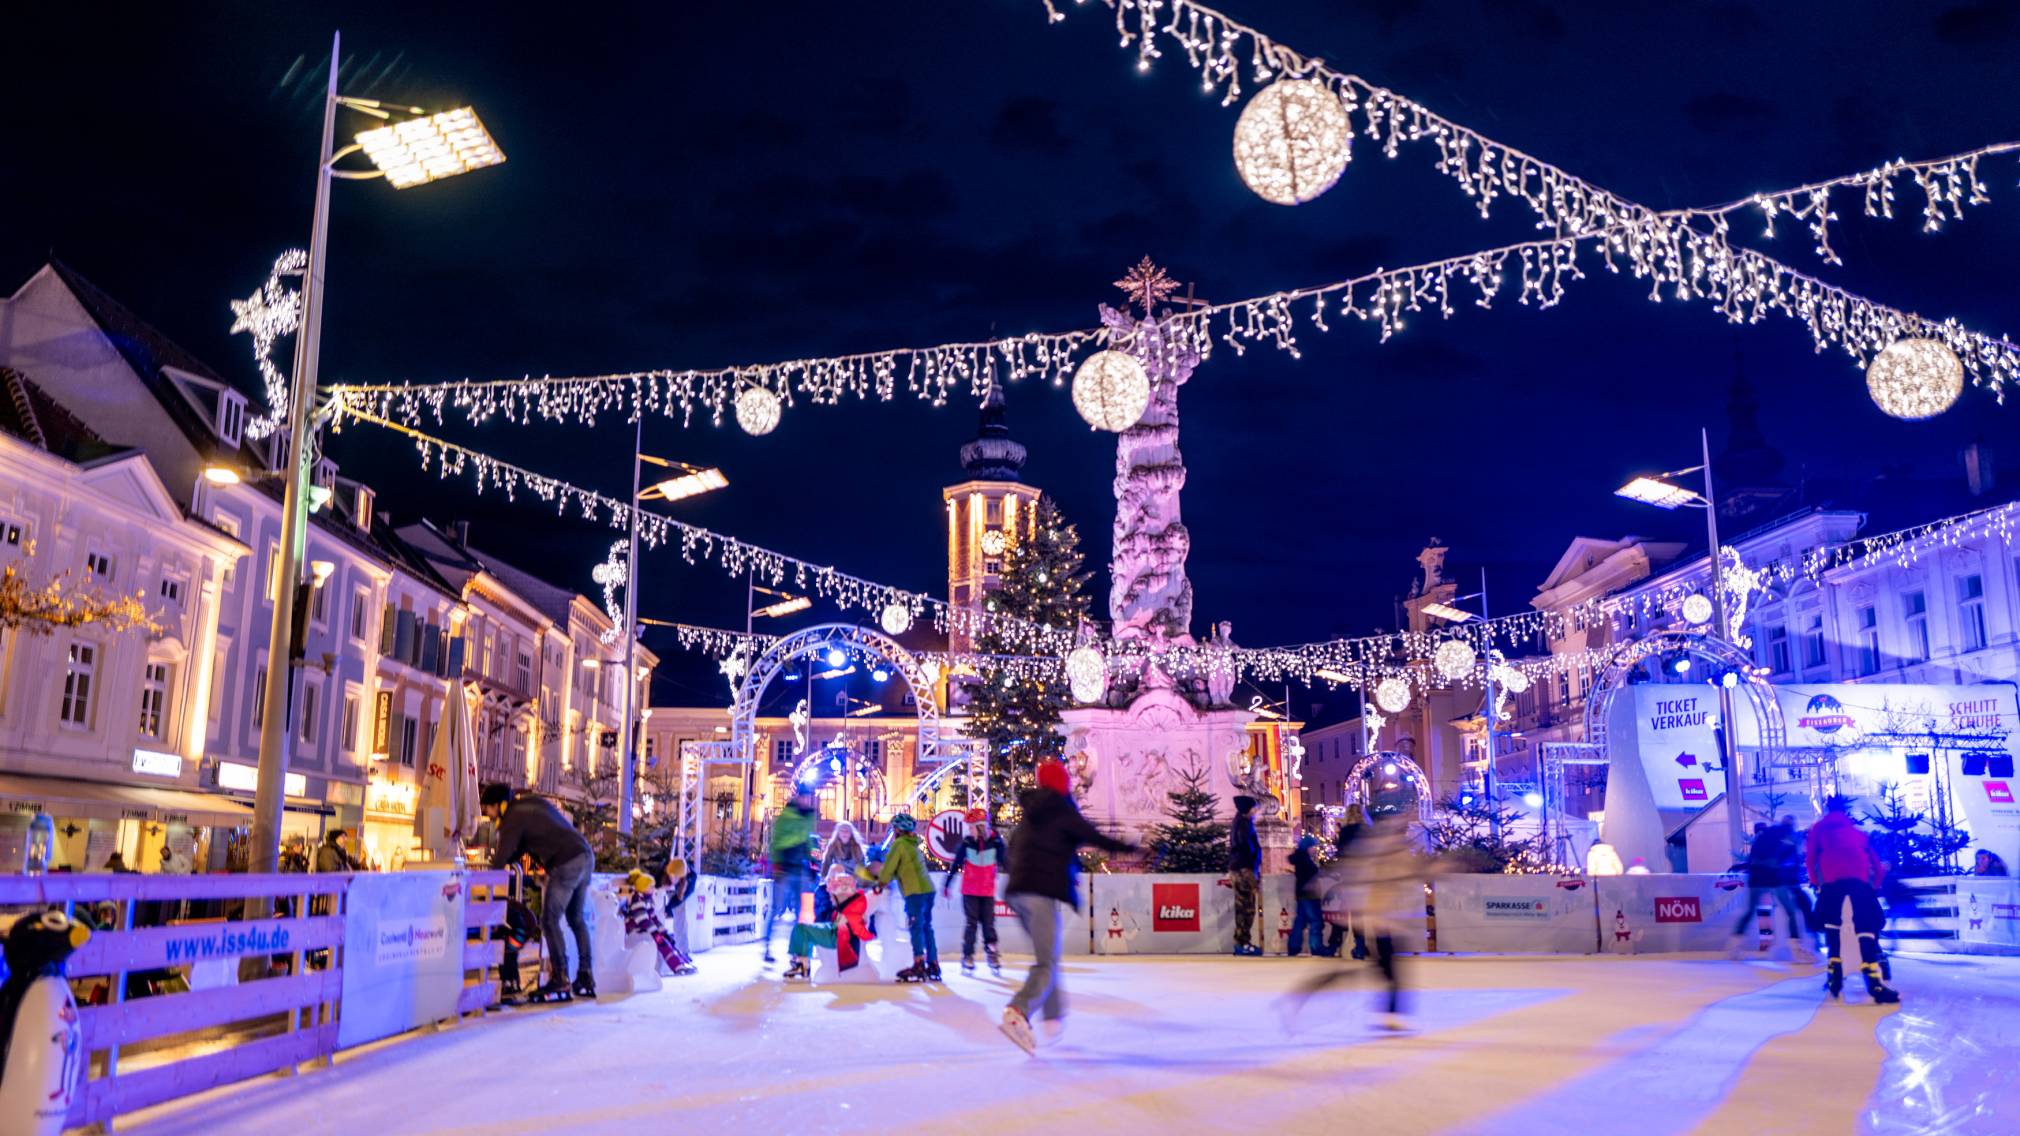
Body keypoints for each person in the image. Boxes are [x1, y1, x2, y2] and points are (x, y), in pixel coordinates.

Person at [999, 760, 1135, 1054]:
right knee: (1046, 961)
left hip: (1016, 892)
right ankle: (1018, 1011)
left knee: (1047, 958)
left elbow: (1013, 852)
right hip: (1040, 892)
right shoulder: (1061, 810)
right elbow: (1096, 837)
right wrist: (1134, 847)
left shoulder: (1031, 815)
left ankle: (1052, 1017)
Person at [1285, 810, 1421, 1033]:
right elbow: (1366, 873)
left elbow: (1356, 869)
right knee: (1384, 968)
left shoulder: (1379, 848)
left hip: (1379, 916)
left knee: (1382, 968)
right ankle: (1390, 1012)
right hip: (1380, 918)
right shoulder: (1385, 849)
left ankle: (1389, 1011)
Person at [482, 782, 597, 1002]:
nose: (487, 814)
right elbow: (524, 847)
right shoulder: (529, 805)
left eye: (487, 807)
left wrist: (485, 881)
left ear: (498, 805)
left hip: (567, 861)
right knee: (575, 919)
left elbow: (503, 856)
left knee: (549, 920)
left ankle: (560, 976)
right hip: (584, 855)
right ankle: (585, 975)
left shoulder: (512, 817)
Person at [1806, 796, 1898, 1003]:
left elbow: (1811, 858)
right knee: (1866, 926)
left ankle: (1834, 972)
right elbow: (1874, 860)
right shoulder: (1856, 832)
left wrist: (1816, 882)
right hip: (1859, 881)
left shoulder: (1818, 829)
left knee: (1832, 925)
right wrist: (1873, 886)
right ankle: (1874, 980)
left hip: (1831, 882)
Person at [872, 812, 940, 982]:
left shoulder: (899, 845)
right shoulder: (913, 845)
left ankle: (918, 963)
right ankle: (933, 963)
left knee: (916, 927)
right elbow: (902, 870)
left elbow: (889, 868)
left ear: (897, 830)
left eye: (893, 828)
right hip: (928, 890)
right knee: (926, 927)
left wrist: (880, 884)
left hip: (915, 892)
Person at [1729, 816, 1810, 958]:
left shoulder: (1766, 834)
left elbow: (1752, 857)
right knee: (1790, 911)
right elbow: (1788, 858)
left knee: (1749, 911)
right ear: (1792, 825)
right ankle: (1797, 949)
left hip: (1756, 877)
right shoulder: (1788, 835)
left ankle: (1734, 947)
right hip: (1773, 877)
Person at [944, 807, 1009, 974]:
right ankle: (968, 956)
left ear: (980, 826)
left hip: (987, 891)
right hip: (970, 891)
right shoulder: (967, 843)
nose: (969, 830)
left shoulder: (995, 842)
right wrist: (947, 884)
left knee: (989, 925)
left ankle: (992, 953)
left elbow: (1006, 862)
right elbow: (956, 864)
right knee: (971, 924)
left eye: (971, 827)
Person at [784, 867, 874, 982]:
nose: (831, 896)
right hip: (834, 929)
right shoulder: (845, 900)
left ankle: (802, 964)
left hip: (837, 935)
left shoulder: (850, 904)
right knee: (801, 929)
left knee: (802, 930)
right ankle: (801, 962)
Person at [762, 789, 818, 965]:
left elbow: (809, 841)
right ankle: (768, 947)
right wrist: (777, 865)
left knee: (799, 912)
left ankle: (797, 951)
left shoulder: (808, 818)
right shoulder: (786, 817)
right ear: (797, 797)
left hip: (800, 868)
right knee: (777, 907)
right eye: (803, 797)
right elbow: (776, 841)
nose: (806, 800)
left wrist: (812, 862)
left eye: (808, 798)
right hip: (785, 867)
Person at [1228, 795, 1262, 956]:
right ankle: (1242, 942)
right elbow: (1246, 845)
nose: (1255, 811)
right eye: (1253, 807)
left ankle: (1241, 942)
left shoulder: (1239, 822)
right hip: (1244, 869)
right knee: (1246, 907)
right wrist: (1254, 860)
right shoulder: (1244, 824)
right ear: (1247, 809)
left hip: (1239, 867)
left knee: (1242, 906)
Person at [817, 821, 868, 921]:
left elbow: (862, 867)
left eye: (847, 831)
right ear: (838, 833)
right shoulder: (833, 846)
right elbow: (826, 864)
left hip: (852, 880)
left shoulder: (857, 848)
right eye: (842, 831)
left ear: (851, 833)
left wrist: (861, 883)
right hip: (836, 880)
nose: (844, 834)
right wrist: (823, 879)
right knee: (836, 867)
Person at [1286, 834, 1325, 958]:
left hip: (1301, 894)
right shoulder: (1305, 860)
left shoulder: (1300, 859)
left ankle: (1293, 947)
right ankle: (1316, 947)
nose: (1315, 849)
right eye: (1313, 846)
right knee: (1315, 920)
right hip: (1310, 894)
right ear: (1307, 847)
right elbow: (1313, 874)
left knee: (1300, 921)